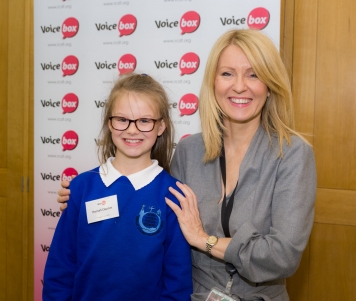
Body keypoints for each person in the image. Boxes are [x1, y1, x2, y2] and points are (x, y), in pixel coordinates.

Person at [58, 29, 316, 301]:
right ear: (213, 82)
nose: (240, 86)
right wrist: (84, 195)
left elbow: (282, 256)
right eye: (227, 73)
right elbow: (151, 212)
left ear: (270, 84)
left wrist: (204, 239)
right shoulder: (189, 151)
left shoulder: (293, 154)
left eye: (254, 74)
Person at [44, 73, 193, 301]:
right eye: (122, 119)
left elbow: (177, 282)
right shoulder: (81, 188)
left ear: (161, 126)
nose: (132, 130)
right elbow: (60, 267)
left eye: (144, 121)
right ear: (109, 123)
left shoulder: (173, 195)